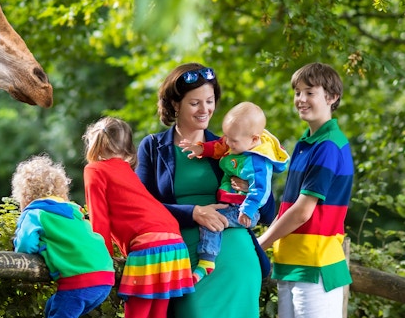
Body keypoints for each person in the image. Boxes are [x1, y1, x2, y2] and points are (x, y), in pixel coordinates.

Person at [135, 62, 274, 318]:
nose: (205, 109)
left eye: (209, 101)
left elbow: (267, 213)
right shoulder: (153, 147)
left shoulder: (232, 146)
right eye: (195, 102)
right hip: (184, 258)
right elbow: (141, 207)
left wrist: (250, 187)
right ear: (175, 104)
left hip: (235, 256)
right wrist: (193, 212)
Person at [258, 62, 354, 318]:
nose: (301, 99)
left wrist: (261, 244)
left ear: (332, 97)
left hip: (316, 268)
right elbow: (289, 208)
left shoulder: (329, 146)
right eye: (298, 92)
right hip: (292, 264)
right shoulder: (306, 143)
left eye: (310, 92)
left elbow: (302, 212)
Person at [82, 116, 195, 318]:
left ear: (94, 143)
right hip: (175, 243)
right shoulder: (127, 170)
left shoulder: (94, 170)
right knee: (157, 314)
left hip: (149, 244)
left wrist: (104, 259)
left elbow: (99, 219)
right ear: (128, 148)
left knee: (137, 313)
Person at [180, 101, 289, 283]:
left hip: (244, 210)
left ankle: (207, 260)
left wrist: (248, 209)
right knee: (212, 219)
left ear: (254, 140)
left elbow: (261, 190)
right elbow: (218, 146)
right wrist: (200, 148)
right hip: (232, 203)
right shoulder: (238, 142)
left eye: (233, 140)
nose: (228, 142)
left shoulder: (258, 162)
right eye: (227, 137)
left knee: (212, 221)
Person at [11, 154, 115, 318]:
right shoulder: (73, 211)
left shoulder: (35, 213)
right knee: (53, 306)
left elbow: (25, 244)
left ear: (24, 196)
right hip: (105, 277)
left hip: (79, 282)